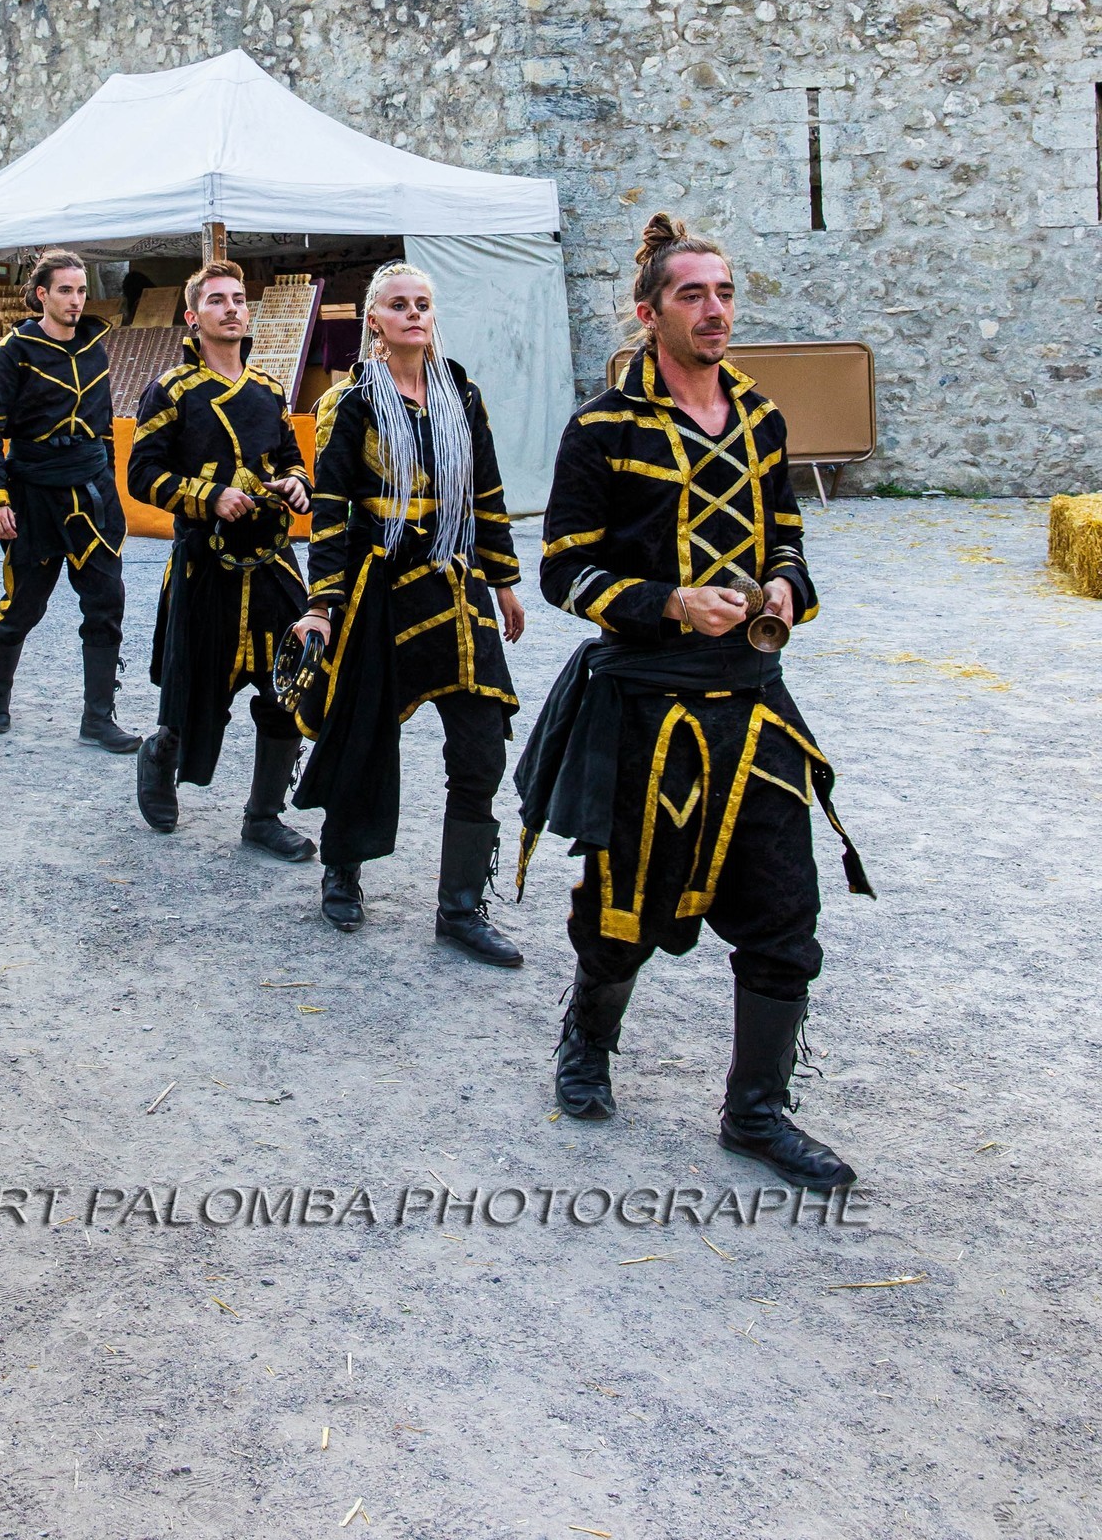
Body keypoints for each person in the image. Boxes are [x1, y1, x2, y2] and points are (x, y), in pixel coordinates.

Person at [516, 212, 872, 1191]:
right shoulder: (602, 426)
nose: (715, 309)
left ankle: (755, 1111)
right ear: (649, 309)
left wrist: (788, 585)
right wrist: (667, 601)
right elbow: (563, 573)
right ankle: (587, 1037)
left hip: (753, 708)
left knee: (782, 915)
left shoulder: (758, 415)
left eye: (722, 292)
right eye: (693, 294)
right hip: (645, 707)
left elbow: (785, 533)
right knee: (624, 909)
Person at [289, 261, 527, 959]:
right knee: (363, 737)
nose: (414, 313)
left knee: (481, 744)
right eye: (399, 304)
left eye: (422, 303)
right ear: (375, 321)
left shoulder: (462, 392)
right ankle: (342, 869)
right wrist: (322, 606)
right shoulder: (351, 401)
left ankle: (459, 908)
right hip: (380, 586)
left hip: (456, 584)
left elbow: (486, 490)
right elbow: (331, 510)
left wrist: (505, 578)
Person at [127, 260, 314, 855]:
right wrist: (208, 497)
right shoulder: (171, 389)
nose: (232, 308)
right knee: (194, 690)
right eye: (217, 300)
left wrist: (296, 484)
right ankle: (161, 753)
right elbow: (141, 474)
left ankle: (263, 815)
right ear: (193, 316)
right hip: (204, 562)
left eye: (238, 299)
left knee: (290, 684)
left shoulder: (269, 390)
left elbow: (288, 458)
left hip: (272, 564)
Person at [0, 252, 138, 747]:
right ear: (42, 294)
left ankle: (98, 717)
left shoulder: (95, 346)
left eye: (81, 290)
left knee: (106, 602)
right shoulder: (15, 347)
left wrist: (108, 490)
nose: (76, 300)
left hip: (90, 494)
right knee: (23, 604)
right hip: (33, 492)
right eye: (65, 290)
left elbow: (106, 426)